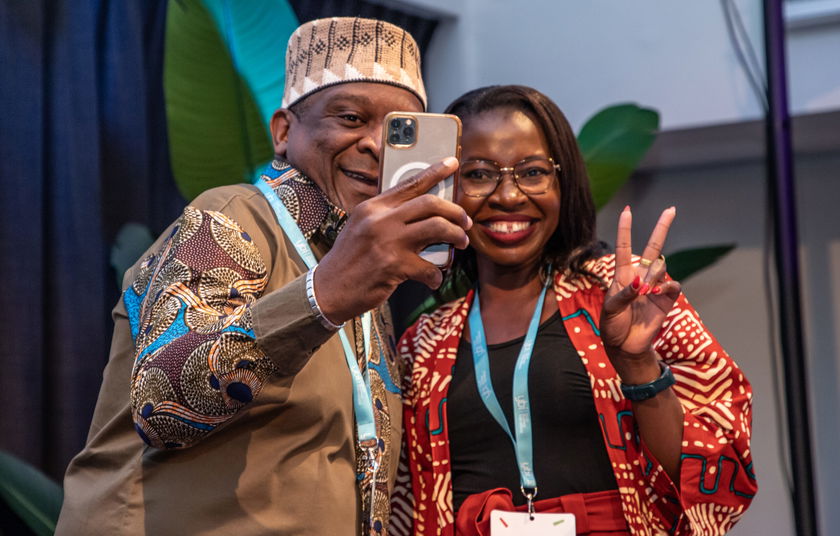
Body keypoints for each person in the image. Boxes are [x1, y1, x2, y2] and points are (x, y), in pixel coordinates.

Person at [56, 17, 470, 536]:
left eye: (398, 132)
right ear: (283, 131)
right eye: (349, 118)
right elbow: (164, 405)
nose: (374, 145)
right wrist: (322, 298)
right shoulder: (232, 217)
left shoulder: (359, 265)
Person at [390, 85, 756, 536]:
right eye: (480, 174)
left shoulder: (627, 292)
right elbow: (401, 504)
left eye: (532, 172)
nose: (508, 196)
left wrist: (638, 363)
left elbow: (717, 468)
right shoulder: (422, 343)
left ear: (563, 183)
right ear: (448, 189)